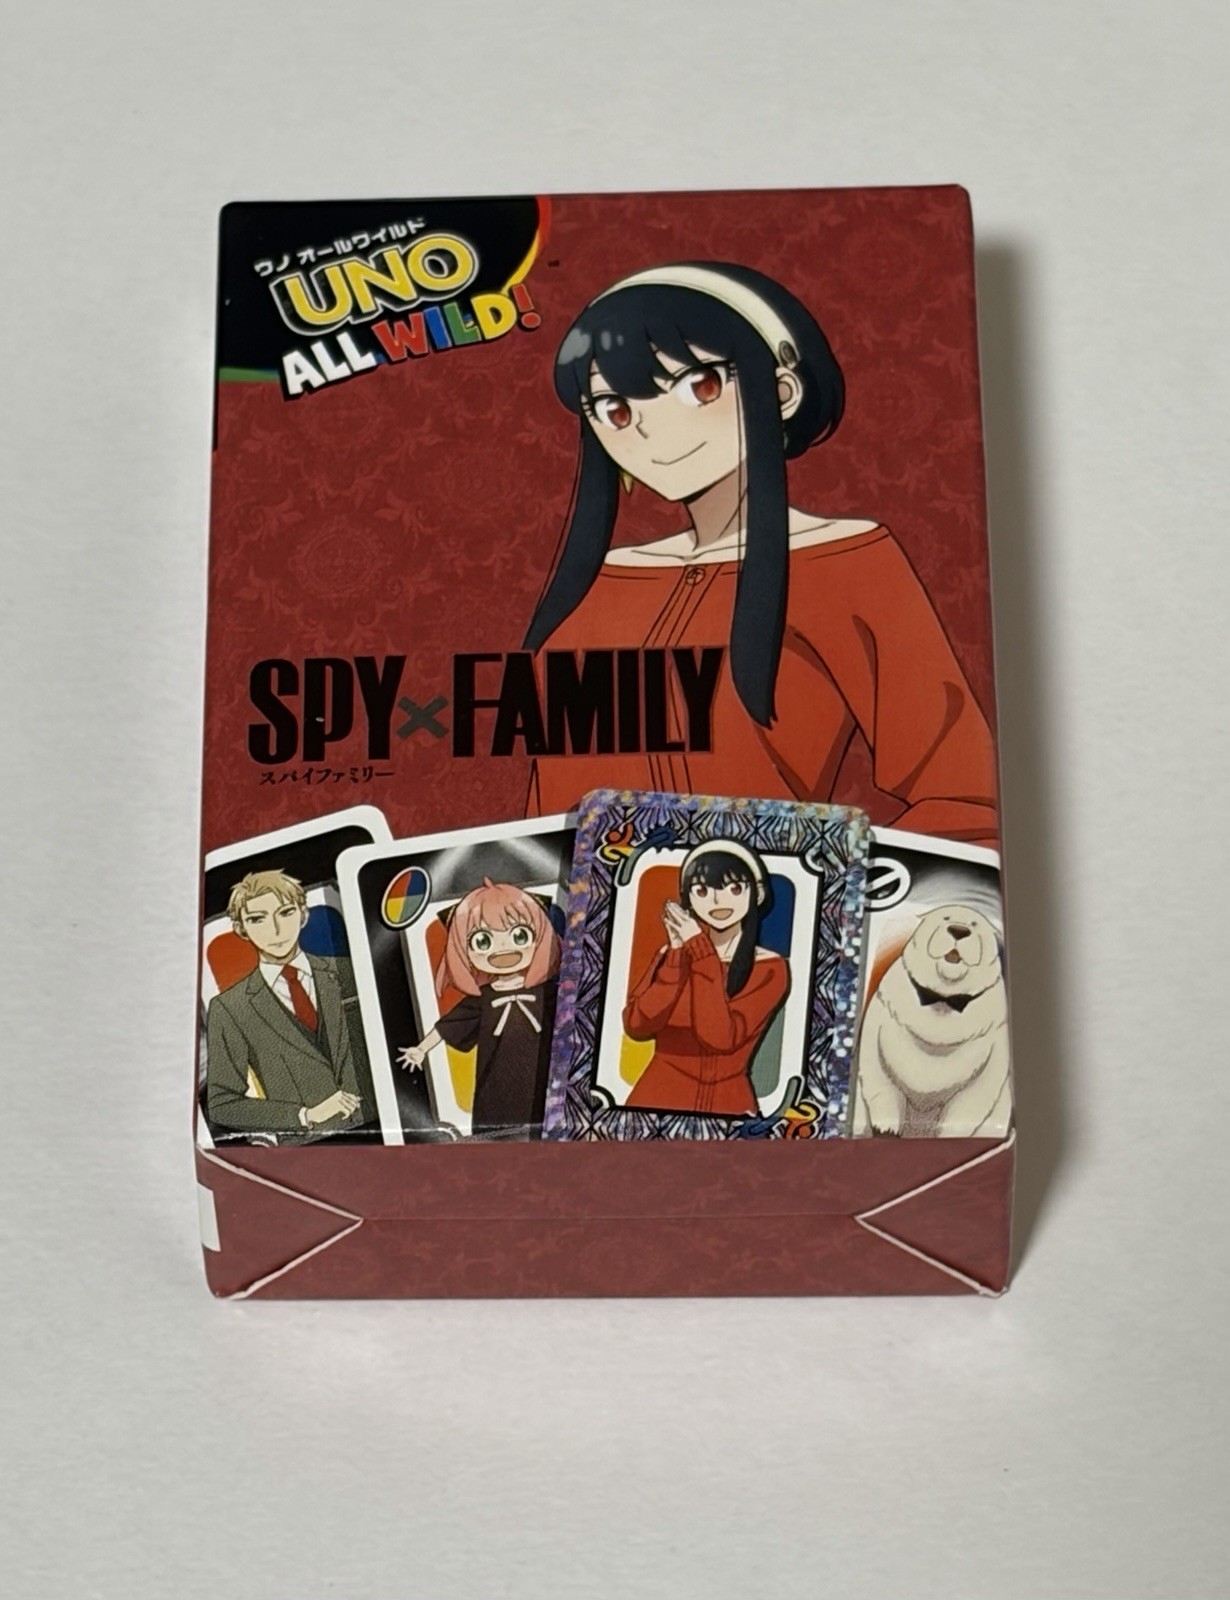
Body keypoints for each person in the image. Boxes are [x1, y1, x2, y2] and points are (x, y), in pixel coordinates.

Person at [523, 262, 998, 847]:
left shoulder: (848, 563)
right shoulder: (603, 584)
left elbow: (964, 796)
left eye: (696, 387)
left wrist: (834, 887)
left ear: (781, 391)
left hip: (767, 898)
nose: (648, 430)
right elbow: (550, 811)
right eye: (615, 409)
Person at [206, 870, 376, 1141]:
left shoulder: (350, 971)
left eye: (285, 913)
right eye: (257, 919)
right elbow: (222, 1105)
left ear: (303, 915)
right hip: (306, 1148)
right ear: (240, 929)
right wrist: (304, 1116)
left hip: (384, 1127)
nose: (276, 930)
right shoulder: (229, 1008)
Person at [623, 840, 788, 1116]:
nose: (717, 901)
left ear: (757, 894)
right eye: (702, 891)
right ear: (688, 899)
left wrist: (700, 951)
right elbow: (636, 1025)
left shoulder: (769, 968)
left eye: (734, 889)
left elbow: (720, 1038)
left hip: (727, 1105)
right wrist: (677, 955)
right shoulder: (670, 955)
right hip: (655, 1098)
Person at [399, 879, 560, 1139]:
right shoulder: (481, 999)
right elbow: (448, 1026)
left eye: (519, 936)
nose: (504, 948)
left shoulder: (549, 992)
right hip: (496, 1091)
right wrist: (421, 1049)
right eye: (483, 941)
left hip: (544, 1088)